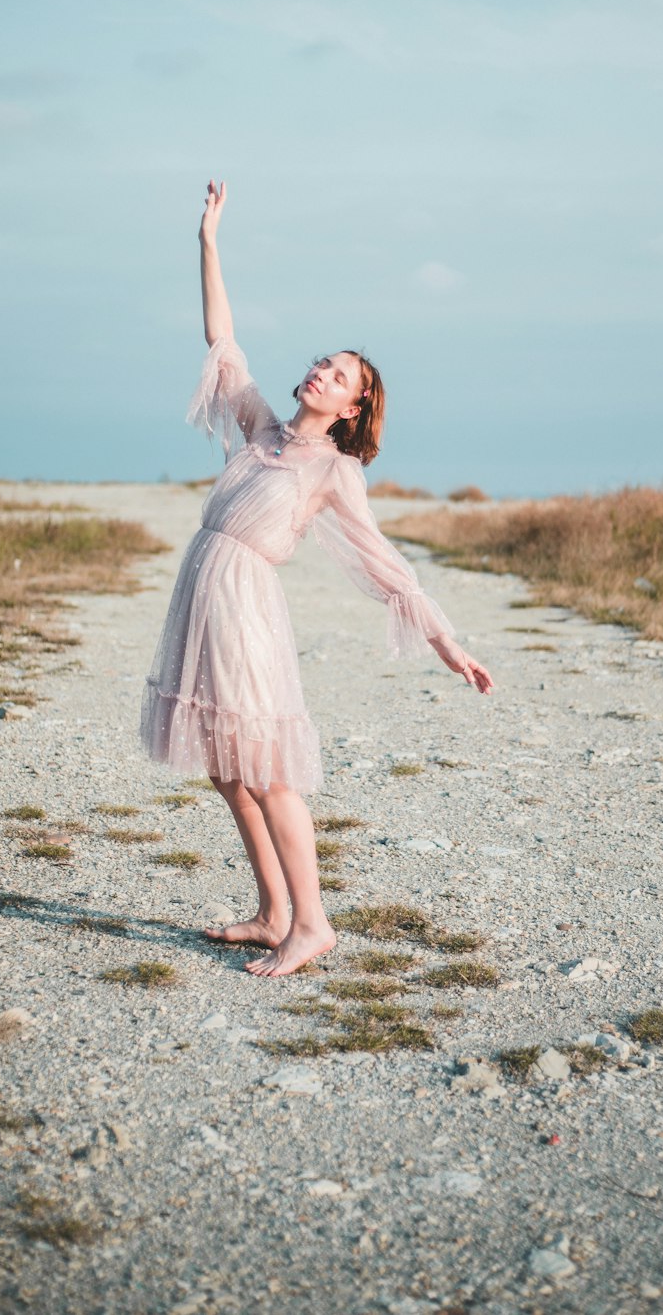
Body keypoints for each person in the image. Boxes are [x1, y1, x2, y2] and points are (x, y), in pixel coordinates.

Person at [140, 180, 494, 977]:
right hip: (204, 593)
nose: (320, 374)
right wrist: (208, 240)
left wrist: (449, 644)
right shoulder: (263, 429)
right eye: (320, 364)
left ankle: (314, 922)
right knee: (226, 769)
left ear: (353, 406)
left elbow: (384, 563)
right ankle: (272, 913)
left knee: (264, 770)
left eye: (339, 376)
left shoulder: (334, 470)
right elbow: (222, 339)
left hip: (245, 610)